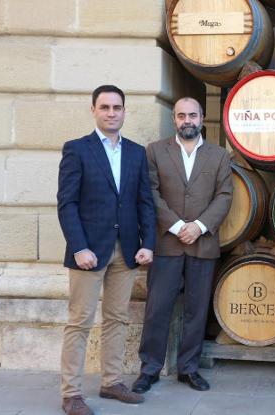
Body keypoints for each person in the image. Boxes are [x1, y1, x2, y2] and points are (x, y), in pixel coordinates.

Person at [57, 85, 156, 415]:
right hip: (89, 252)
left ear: (125, 111)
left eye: (117, 107)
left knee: (117, 318)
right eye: (105, 107)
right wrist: (79, 247)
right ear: (94, 111)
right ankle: (71, 393)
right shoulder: (76, 150)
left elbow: (144, 202)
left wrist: (148, 244)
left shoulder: (136, 152)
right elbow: (67, 203)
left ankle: (111, 381)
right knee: (80, 322)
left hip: (126, 250)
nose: (111, 112)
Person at [132, 97, 233, 394]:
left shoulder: (219, 155)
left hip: (203, 244)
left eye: (192, 115)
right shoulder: (155, 151)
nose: (187, 120)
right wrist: (177, 226)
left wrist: (199, 227)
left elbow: (225, 195)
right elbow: (150, 192)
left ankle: (188, 369)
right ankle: (149, 369)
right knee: (157, 308)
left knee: (196, 310)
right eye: (181, 116)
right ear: (174, 119)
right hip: (167, 243)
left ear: (202, 117)